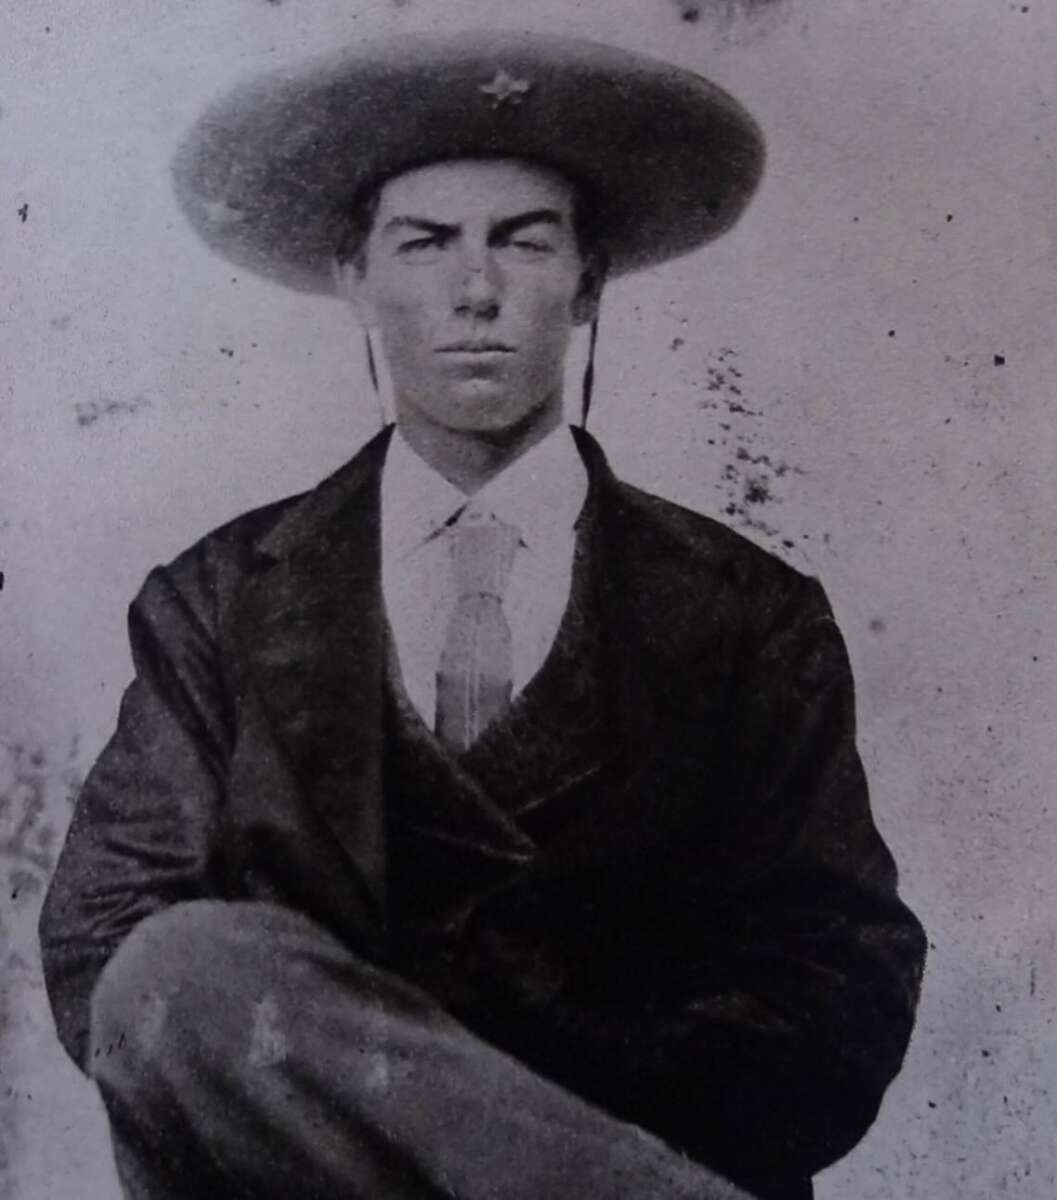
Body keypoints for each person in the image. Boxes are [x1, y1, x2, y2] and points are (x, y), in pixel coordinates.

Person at [39, 32, 926, 1200]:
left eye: (523, 240)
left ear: (590, 278)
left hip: (653, 1153)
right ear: (355, 276)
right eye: (424, 243)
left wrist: (504, 1101)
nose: (475, 292)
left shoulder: (745, 614)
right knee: (184, 962)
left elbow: (837, 986)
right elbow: (108, 953)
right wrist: (365, 1094)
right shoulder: (214, 604)